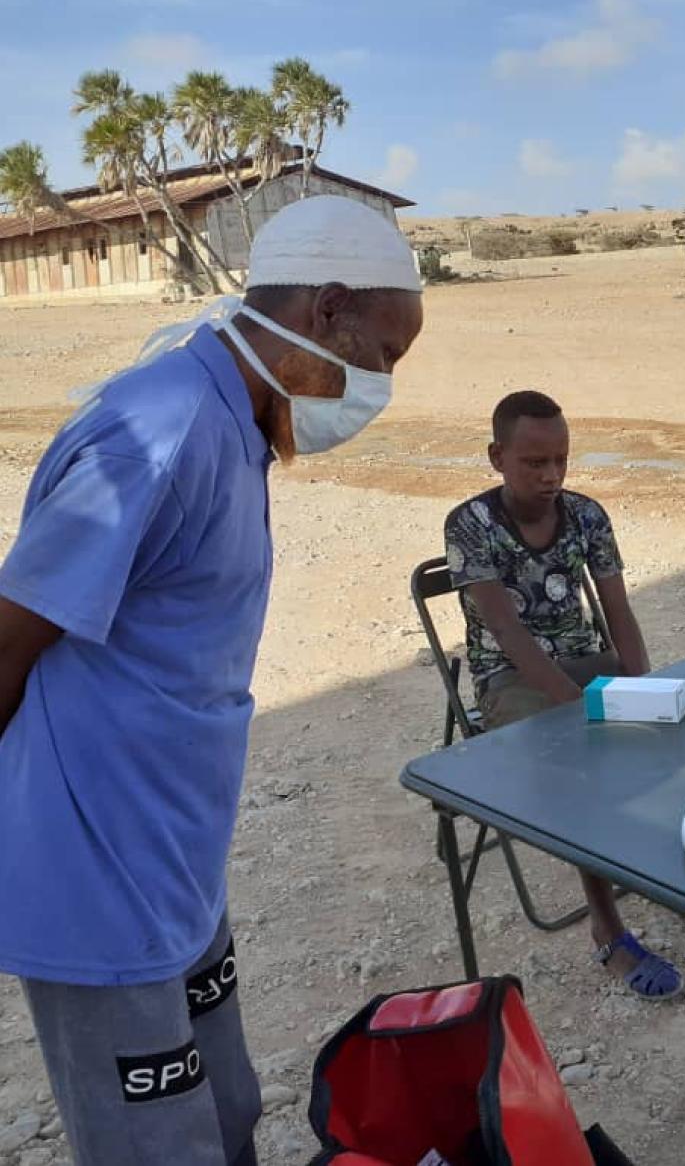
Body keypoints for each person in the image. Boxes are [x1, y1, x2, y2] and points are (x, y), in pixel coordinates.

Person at [0, 196, 424, 1166]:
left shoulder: (233, 420)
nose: (381, 386)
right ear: (325, 309)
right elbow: (8, 638)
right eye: (384, 356)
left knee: (225, 1108)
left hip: (173, 854)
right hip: (97, 874)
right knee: (158, 1143)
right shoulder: (157, 432)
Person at [444, 390, 683, 1000]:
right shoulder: (469, 526)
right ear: (497, 457)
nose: (551, 476)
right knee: (584, 767)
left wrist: (642, 686)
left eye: (561, 460)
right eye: (534, 463)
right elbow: (505, 632)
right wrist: (586, 708)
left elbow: (618, 608)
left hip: (584, 660)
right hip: (513, 677)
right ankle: (607, 930)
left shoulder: (586, 515)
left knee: (680, 725)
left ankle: (663, 863)